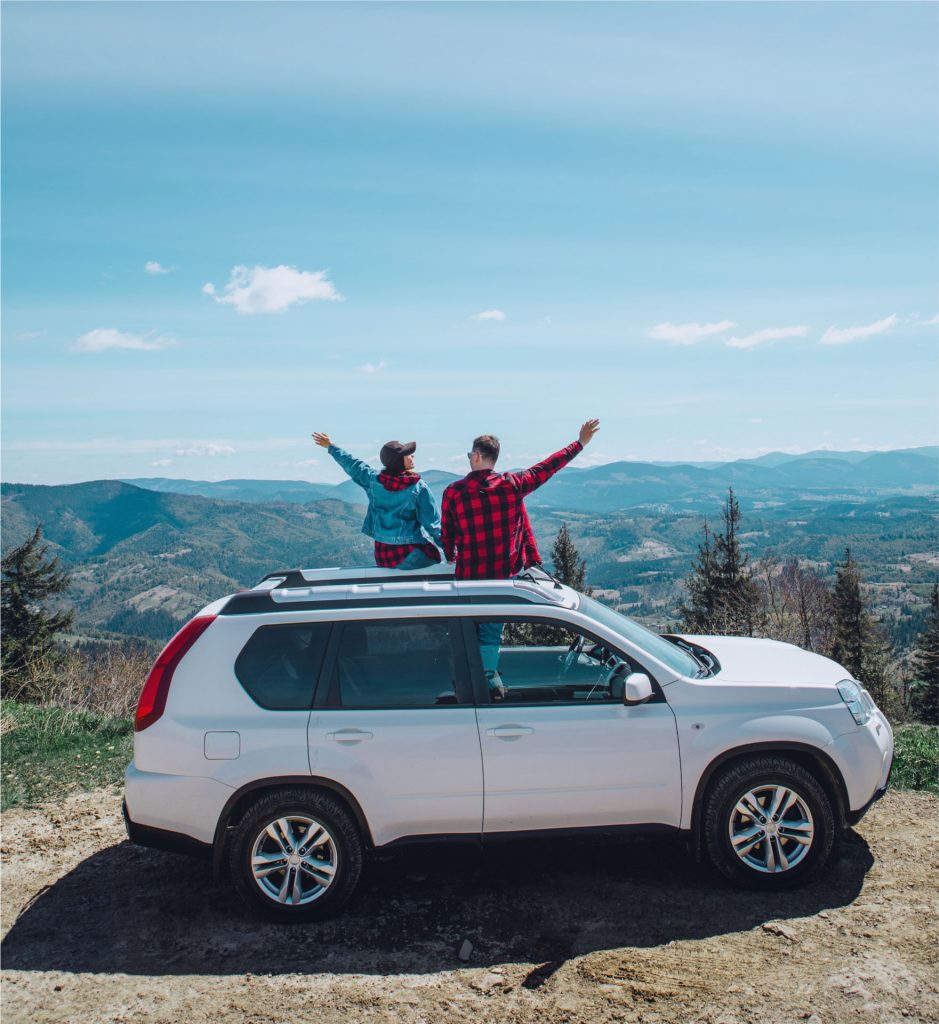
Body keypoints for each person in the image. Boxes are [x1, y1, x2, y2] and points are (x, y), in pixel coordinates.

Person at [440, 419, 600, 687]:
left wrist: (449, 554)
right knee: (491, 632)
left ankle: (466, 681)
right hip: (502, 579)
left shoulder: (454, 492)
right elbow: (548, 467)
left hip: (467, 577)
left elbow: (448, 532)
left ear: (477, 456)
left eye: (469, 455)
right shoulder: (513, 485)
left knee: (467, 630)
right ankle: (487, 681)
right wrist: (580, 443)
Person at [312, 432, 442, 570]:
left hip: (383, 556)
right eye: (409, 454)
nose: (412, 456)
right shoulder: (418, 488)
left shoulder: (373, 480)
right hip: (409, 554)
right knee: (435, 557)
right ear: (400, 461)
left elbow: (353, 465)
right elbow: (434, 526)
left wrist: (331, 446)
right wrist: (452, 553)